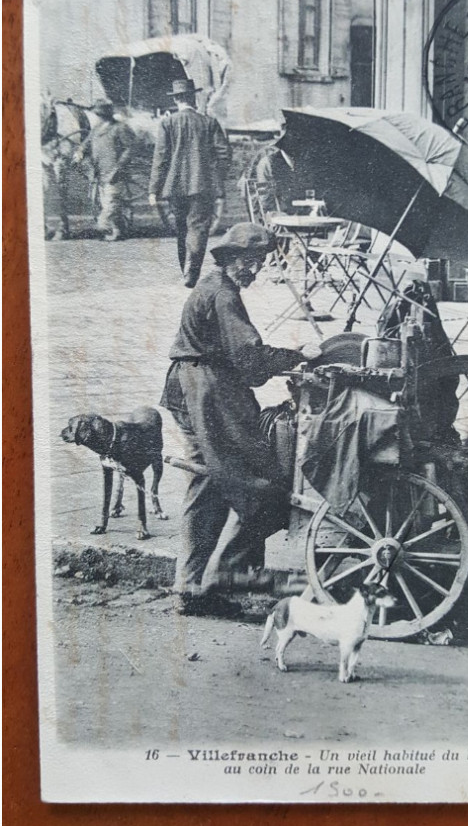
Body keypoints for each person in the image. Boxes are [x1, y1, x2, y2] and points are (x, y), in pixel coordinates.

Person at [160, 222, 319, 616]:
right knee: (262, 485)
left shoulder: (218, 286)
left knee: (208, 482)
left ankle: (194, 588)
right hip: (206, 390)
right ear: (229, 258)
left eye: (260, 262)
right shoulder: (222, 294)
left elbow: (242, 358)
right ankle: (222, 583)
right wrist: (300, 354)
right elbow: (249, 361)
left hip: (197, 386)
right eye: (248, 261)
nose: (254, 269)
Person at [149, 77, 231, 287]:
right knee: (198, 229)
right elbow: (224, 154)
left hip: (175, 187)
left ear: (176, 100)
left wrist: (153, 190)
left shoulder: (167, 123)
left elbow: (161, 158)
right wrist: (216, 179)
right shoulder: (208, 122)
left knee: (181, 229)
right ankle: (191, 272)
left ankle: (183, 270)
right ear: (193, 98)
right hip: (202, 186)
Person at [75, 99, 135, 241]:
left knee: (111, 201)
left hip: (115, 172)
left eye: (99, 114)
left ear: (105, 115)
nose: (97, 117)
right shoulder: (96, 129)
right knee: (106, 201)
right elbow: (86, 144)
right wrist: (80, 152)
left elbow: (130, 148)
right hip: (99, 171)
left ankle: (102, 224)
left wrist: (119, 166)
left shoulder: (120, 128)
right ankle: (118, 230)